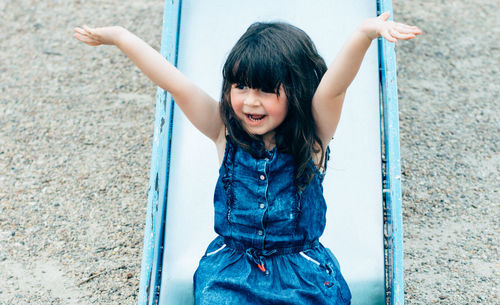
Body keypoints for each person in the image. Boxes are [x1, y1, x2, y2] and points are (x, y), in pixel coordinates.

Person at [74, 11, 420, 305]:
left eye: (267, 90)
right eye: (241, 87)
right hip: (231, 272)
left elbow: (335, 86)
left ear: (296, 90)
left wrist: (364, 34)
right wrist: (121, 37)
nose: (251, 102)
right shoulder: (223, 130)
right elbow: (175, 83)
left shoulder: (311, 138)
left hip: (299, 273)